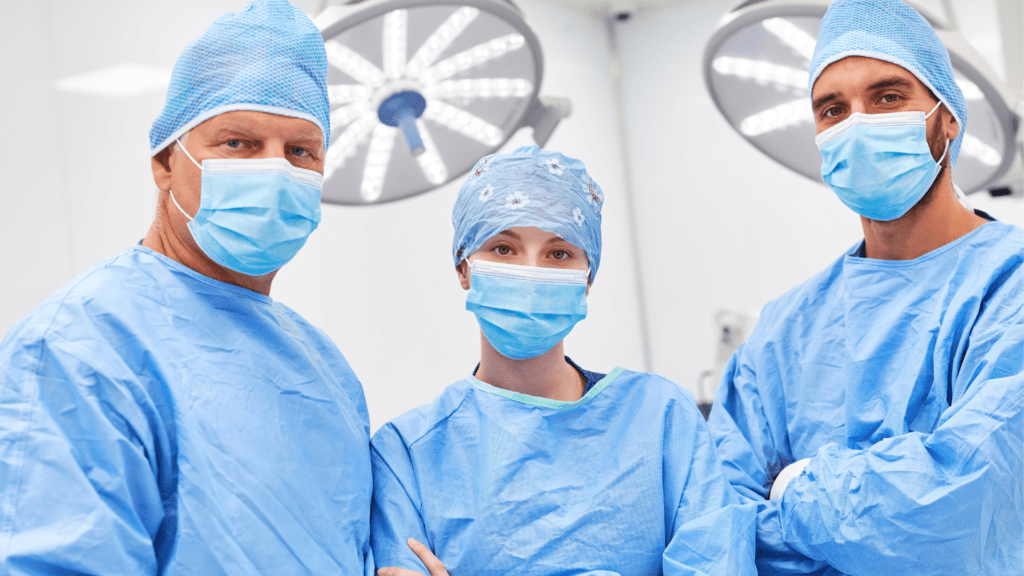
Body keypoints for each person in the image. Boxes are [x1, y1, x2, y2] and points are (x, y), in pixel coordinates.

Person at [0, 1, 373, 573]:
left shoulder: (325, 367)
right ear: (165, 161)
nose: (274, 169)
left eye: (300, 150)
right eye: (238, 143)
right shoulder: (80, 347)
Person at [707, 0, 1023, 574]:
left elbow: (963, 509)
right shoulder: (783, 331)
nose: (857, 123)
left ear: (948, 117)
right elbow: (721, 523)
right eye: (832, 110)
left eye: (888, 97)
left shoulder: (1009, 286)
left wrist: (794, 486)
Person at [371, 146, 757, 576]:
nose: (531, 272)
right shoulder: (407, 453)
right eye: (503, 248)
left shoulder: (661, 418)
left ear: (586, 279)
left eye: (559, 253)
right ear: (464, 267)